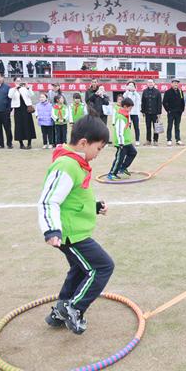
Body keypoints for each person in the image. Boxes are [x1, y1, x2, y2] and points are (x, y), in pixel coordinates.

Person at [37, 115, 113, 335]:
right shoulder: (67, 165)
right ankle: (74, 308)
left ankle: (60, 310)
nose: (98, 154)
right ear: (83, 143)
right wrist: (51, 229)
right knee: (103, 266)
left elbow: (74, 196)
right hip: (70, 234)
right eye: (98, 149)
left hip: (74, 229)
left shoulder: (76, 162)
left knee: (79, 269)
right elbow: (49, 199)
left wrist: (95, 207)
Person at [107, 97, 137, 180]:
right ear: (125, 107)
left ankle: (122, 168)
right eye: (130, 107)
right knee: (119, 158)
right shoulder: (120, 117)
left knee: (133, 153)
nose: (131, 109)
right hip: (121, 142)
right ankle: (112, 173)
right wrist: (121, 143)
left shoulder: (126, 115)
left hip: (127, 141)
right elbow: (119, 131)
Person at [9, 77, 36, 149]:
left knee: (28, 125)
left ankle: (29, 143)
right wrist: (15, 88)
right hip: (18, 109)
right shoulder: (12, 89)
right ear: (14, 82)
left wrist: (28, 88)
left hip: (26, 109)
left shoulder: (24, 89)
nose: (18, 82)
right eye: (17, 81)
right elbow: (10, 96)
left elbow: (31, 95)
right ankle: (21, 143)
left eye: (20, 81)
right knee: (19, 126)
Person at [162, 79, 185, 146]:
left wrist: (182, 110)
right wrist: (168, 110)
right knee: (170, 126)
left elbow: (182, 101)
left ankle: (178, 139)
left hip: (178, 112)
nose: (176, 84)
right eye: (174, 83)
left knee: (177, 126)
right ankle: (169, 139)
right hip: (171, 112)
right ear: (171, 84)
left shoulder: (180, 91)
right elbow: (164, 102)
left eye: (177, 83)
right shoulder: (167, 92)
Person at [141, 79, 162, 146]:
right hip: (147, 113)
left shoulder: (157, 92)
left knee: (156, 127)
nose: (150, 83)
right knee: (148, 127)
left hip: (155, 113)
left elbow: (159, 103)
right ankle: (148, 140)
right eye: (149, 82)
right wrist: (143, 111)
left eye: (151, 82)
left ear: (154, 83)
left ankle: (156, 140)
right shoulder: (144, 91)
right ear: (147, 84)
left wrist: (159, 113)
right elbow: (143, 102)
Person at [123, 81, 141, 146]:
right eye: (129, 85)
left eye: (132, 85)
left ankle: (137, 140)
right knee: (128, 127)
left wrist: (134, 91)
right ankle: (128, 139)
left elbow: (139, 100)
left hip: (135, 113)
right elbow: (124, 97)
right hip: (128, 113)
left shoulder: (136, 94)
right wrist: (128, 90)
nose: (131, 87)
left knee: (136, 127)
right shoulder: (126, 93)